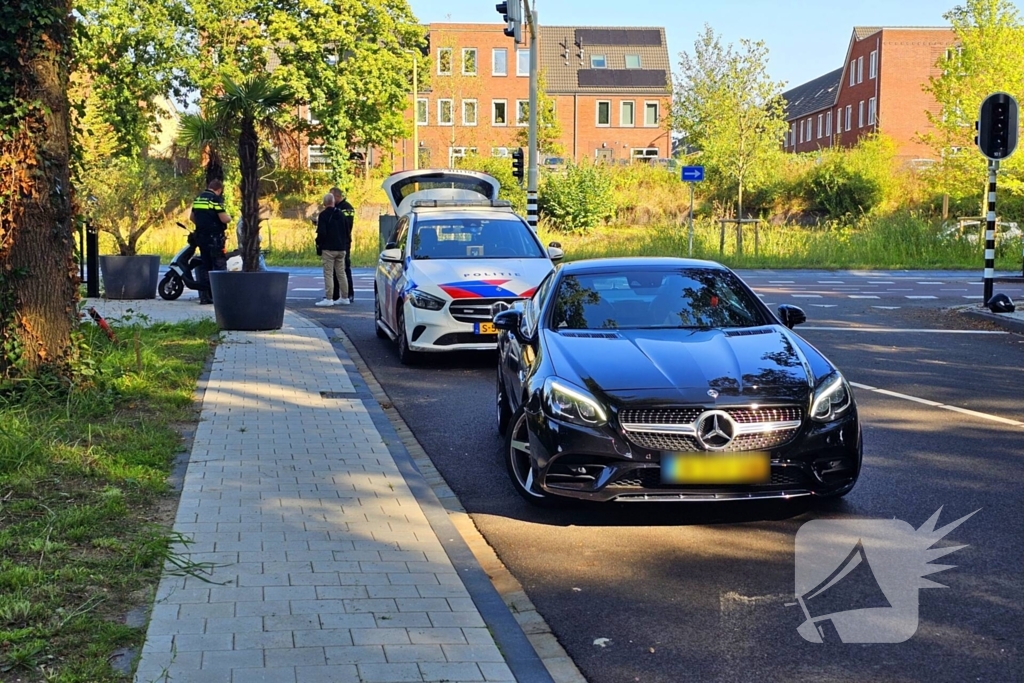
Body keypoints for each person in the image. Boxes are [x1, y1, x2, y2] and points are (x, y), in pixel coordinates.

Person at [189, 178, 231, 304]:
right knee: (219, 265)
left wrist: (203, 226)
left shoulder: (198, 199)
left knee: (204, 265)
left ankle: (205, 296)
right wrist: (230, 217)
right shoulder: (215, 200)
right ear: (219, 190)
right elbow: (224, 219)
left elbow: (192, 217)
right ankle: (220, 295)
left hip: (202, 237)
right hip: (215, 238)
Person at [315, 193, 350, 307]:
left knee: (328, 273)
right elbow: (347, 231)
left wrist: (319, 243)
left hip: (328, 249)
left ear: (324, 203)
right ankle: (345, 297)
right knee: (341, 273)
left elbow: (322, 233)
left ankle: (329, 298)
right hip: (341, 248)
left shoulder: (323, 215)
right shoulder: (341, 214)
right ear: (333, 202)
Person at [330, 187, 355, 303]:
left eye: (331, 196)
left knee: (344, 268)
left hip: (343, 241)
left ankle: (349, 294)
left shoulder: (346, 208)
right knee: (336, 269)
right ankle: (336, 295)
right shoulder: (338, 208)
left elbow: (345, 225)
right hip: (339, 241)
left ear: (336, 196)